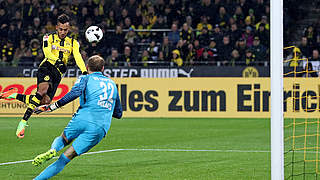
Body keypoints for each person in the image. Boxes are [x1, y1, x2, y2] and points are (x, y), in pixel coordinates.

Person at [32, 55, 122, 179]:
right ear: (102, 68)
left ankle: (53, 149)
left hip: (82, 118)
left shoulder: (85, 78)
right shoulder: (112, 84)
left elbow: (74, 93)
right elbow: (118, 113)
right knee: (64, 159)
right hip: (99, 127)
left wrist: (51, 107)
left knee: (63, 139)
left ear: (87, 67)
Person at [0, 14, 87, 138]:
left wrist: (84, 71)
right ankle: (23, 122)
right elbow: (47, 52)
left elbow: (78, 57)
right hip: (47, 67)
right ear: (56, 27)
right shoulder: (48, 37)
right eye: (61, 29)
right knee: (42, 90)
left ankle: (13, 94)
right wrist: (57, 61)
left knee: (45, 102)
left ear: (69, 29)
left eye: (65, 30)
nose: (63, 32)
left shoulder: (73, 42)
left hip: (58, 74)